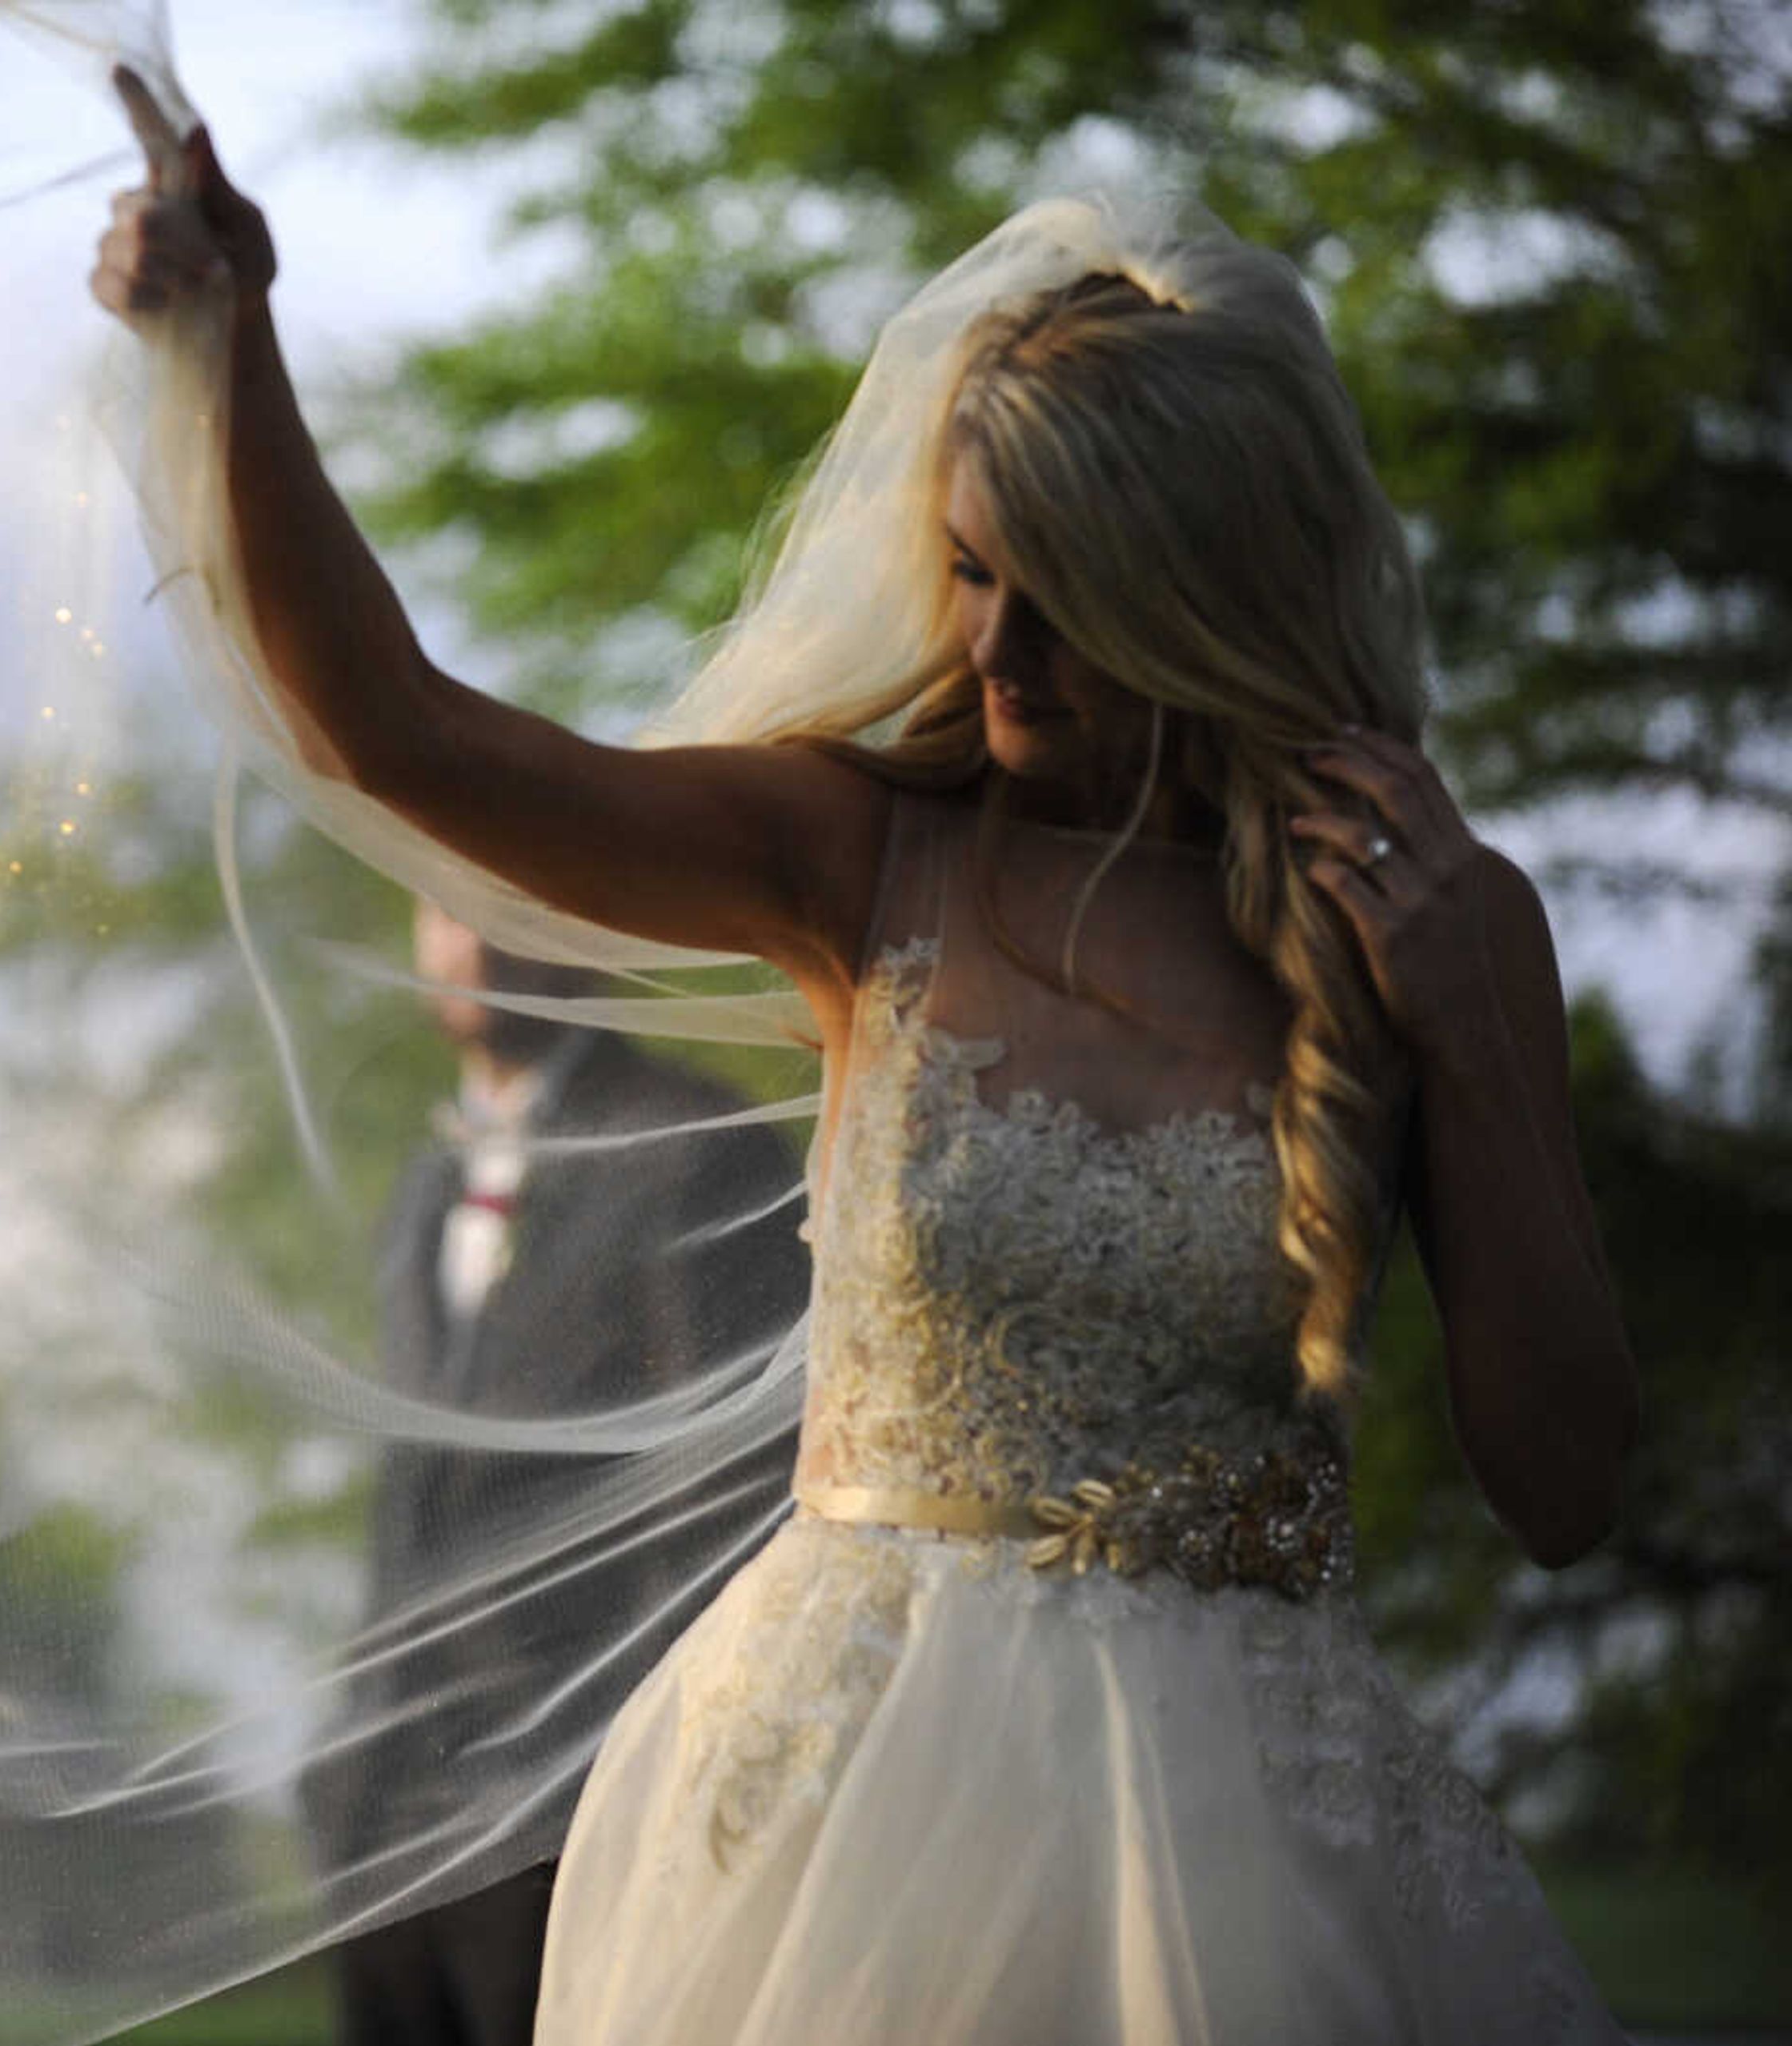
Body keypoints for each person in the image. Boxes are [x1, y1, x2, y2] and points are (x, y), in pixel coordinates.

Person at [96, 70, 1638, 2046]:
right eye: (976, 568)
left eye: (1060, 600)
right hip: (842, 1828)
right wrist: (234, 344)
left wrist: (1472, 1036)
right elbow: (396, 733)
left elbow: (1570, 1482)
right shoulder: (862, 861)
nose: (995, 648)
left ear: (1204, 590)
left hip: (1262, 1850)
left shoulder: (1432, 915)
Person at [317, 901, 806, 2046]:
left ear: (587, 921)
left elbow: (733, 1500)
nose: (469, 940)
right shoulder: (427, 1178)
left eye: (507, 904)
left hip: (571, 1789)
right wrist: (341, 1770)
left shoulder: (700, 1149)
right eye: (439, 908)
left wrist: (629, 1775)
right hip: (385, 1800)